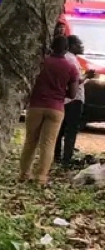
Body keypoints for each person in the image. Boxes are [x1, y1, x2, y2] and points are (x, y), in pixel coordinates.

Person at [19, 36, 80, 183]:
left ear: (51, 46)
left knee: (30, 141)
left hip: (36, 106)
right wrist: (59, 92)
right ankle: (41, 177)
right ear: (66, 49)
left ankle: (24, 174)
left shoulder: (40, 63)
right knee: (48, 143)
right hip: (56, 108)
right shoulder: (71, 67)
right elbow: (72, 93)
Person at [55, 35, 95, 167]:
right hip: (74, 99)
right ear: (72, 46)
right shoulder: (71, 60)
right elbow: (75, 81)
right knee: (71, 130)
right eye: (79, 44)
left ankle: (56, 156)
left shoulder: (65, 58)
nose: (82, 46)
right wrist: (87, 76)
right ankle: (67, 158)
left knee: (60, 129)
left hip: (63, 99)